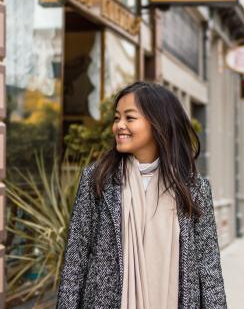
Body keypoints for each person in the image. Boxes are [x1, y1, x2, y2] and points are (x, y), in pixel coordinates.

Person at [57, 82, 227, 309]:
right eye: (117, 118)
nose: (119, 126)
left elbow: (208, 268)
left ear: (158, 123)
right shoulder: (98, 178)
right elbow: (75, 260)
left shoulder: (193, 187)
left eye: (130, 118)